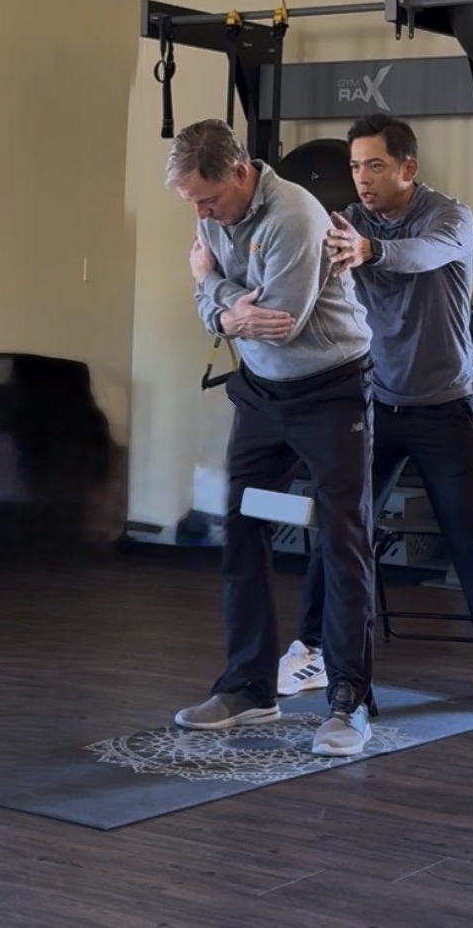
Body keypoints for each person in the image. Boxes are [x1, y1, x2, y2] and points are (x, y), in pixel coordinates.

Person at [277, 112, 473, 712]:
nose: (362, 178)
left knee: (472, 535)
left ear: (406, 168)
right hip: (372, 406)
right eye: (354, 166)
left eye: (374, 165)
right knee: (338, 528)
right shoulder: (345, 223)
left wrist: (370, 251)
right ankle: (309, 650)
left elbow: (418, 256)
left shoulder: (450, 217)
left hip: (445, 406)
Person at [167, 119, 377, 758]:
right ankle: (250, 687)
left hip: (330, 390)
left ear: (239, 172)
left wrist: (210, 287)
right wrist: (225, 307)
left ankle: (348, 702)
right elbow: (228, 320)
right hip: (261, 397)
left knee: (340, 537)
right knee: (244, 525)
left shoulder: (295, 217)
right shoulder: (212, 215)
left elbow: (277, 323)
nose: (202, 216)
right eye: (192, 206)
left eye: (208, 200)